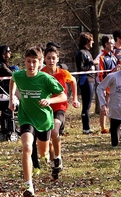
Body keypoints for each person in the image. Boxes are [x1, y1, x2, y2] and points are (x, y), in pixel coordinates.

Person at [9, 47, 66, 197]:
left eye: (34, 62)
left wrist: (49, 100)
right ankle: (29, 186)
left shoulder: (46, 79)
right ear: (25, 62)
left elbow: (63, 96)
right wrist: (12, 98)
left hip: (44, 121)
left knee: (43, 152)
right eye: (28, 61)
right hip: (26, 117)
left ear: (40, 63)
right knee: (27, 147)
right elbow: (12, 80)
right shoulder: (19, 75)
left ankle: (47, 155)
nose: (31, 65)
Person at [41, 45, 80, 179]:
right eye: (48, 58)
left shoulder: (62, 73)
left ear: (57, 59)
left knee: (54, 131)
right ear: (44, 59)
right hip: (44, 108)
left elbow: (73, 81)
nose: (51, 61)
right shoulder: (41, 73)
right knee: (48, 140)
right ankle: (54, 163)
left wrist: (74, 98)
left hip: (60, 107)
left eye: (53, 58)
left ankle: (58, 157)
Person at [97, 55, 121, 175]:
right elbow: (100, 88)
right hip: (114, 110)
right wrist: (103, 104)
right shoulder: (113, 76)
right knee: (114, 140)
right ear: (120, 65)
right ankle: (116, 131)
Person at [75, 32, 99, 134]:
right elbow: (81, 69)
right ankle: (86, 128)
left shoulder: (88, 52)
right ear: (87, 41)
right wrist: (92, 63)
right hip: (86, 81)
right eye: (91, 40)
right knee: (86, 106)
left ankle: (87, 127)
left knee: (88, 106)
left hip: (91, 80)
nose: (93, 42)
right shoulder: (80, 53)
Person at [95, 35, 118, 134]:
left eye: (113, 43)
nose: (113, 45)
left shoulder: (113, 56)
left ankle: (113, 126)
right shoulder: (101, 57)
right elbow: (100, 74)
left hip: (114, 85)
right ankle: (103, 127)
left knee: (113, 106)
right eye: (111, 43)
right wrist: (102, 87)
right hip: (105, 86)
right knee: (105, 106)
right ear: (106, 44)